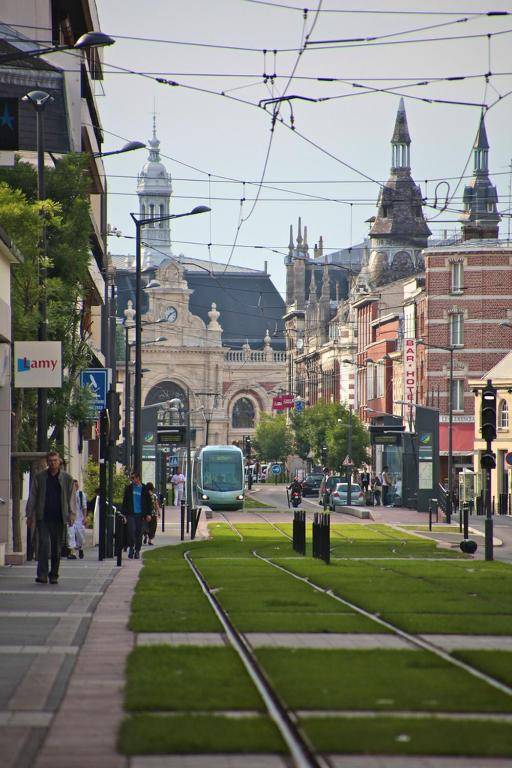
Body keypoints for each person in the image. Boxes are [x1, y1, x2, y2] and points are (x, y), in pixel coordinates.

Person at [25, 451, 76, 585]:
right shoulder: (40, 477)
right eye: (50, 461)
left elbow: (71, 498)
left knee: (56, 548)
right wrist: (29, 515)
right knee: (44, 545)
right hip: (44, 517)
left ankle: (54, 574)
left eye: (55, 460)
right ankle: (42, 574)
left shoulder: (67, 478)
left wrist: (71, 514)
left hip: (59, 518)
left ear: (59, 461)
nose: (53, 463)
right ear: (47, 462)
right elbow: (33, 496)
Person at [121, 471, 152, 559]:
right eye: (131, 478)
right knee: (131, 531)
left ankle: (137, 550)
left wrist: (148, 514)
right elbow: (125, 501)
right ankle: (131, 547)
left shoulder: (144, 488)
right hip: (131, 514)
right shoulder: (129, 488)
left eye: (133, 478)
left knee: (139, 533)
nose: (132, 480)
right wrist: (123, 514)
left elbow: (148, 503)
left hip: (141, 515)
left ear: (138, 478)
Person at [67, 480, 87, 560]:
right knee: (70, 534)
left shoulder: (81, 494)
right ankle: (73, 553)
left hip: (79, 518)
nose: (75, 486)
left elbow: (84, 507)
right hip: (71, 518)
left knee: (80, 536)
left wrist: (85, 517)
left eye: (76, 485)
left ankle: (80, 548)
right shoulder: (68, 495)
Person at [143, 482, 161, 546]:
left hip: (145, 513)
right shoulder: (154, 496)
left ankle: (145, 534)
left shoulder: (144, 495)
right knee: (153, 527)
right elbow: (156, 504)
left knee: (145, 525)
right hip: (153, 514)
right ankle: (150, 540)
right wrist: (159, 512)